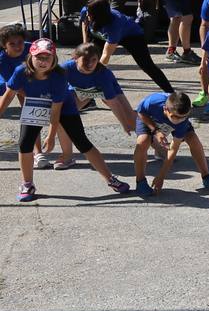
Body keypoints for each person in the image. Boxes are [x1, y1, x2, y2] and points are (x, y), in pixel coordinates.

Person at [2, 40, 131, 200]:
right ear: (31, 56)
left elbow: (55, 112)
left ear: (54, 59)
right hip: (36, 105)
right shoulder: (20, 71)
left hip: (64, 106)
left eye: (47, 58)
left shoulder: (59, 75)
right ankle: (27, 184)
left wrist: (50, 137)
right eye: (39, 57)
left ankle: (110, 178)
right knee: (25, 144)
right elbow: (7, 97)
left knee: (82, 142)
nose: (43, 62)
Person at [49, 43, 136, 169]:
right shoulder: (64, 68)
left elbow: (113, 103)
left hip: (103, 89)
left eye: (94, 60)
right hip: (81, 92)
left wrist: (125, 124)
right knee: (62, 117)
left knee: (130, 120)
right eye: (85, 60)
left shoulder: (103, 74)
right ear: (75, 58)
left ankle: (159, 148)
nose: (90, 64)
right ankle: (67, 157)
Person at [133, 91, 209, 197]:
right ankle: (140, 182)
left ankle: (206, 176)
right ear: (165, 109)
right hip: (149, 118)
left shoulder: (182, 121)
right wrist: (155, 131)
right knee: (143, 141)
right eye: (175, 117)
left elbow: (173, 149)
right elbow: (141, 112)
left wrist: (161, 177)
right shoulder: (153, 102)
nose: (179, 120)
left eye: (183, 117)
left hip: (166, 120)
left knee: (192, 138)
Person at [82, 0, 175, 93]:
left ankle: (170, 93)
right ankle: (89, 97)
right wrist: (86, 45)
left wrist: (95, 77)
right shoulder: (87, 10)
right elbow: (84, 23)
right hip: (102, 34)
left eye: (90, 14)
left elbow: (106, 55)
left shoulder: (115, 23)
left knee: (147, 66)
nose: (87, 15)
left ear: (99, 15)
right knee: (87, 57)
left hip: (132, 36)